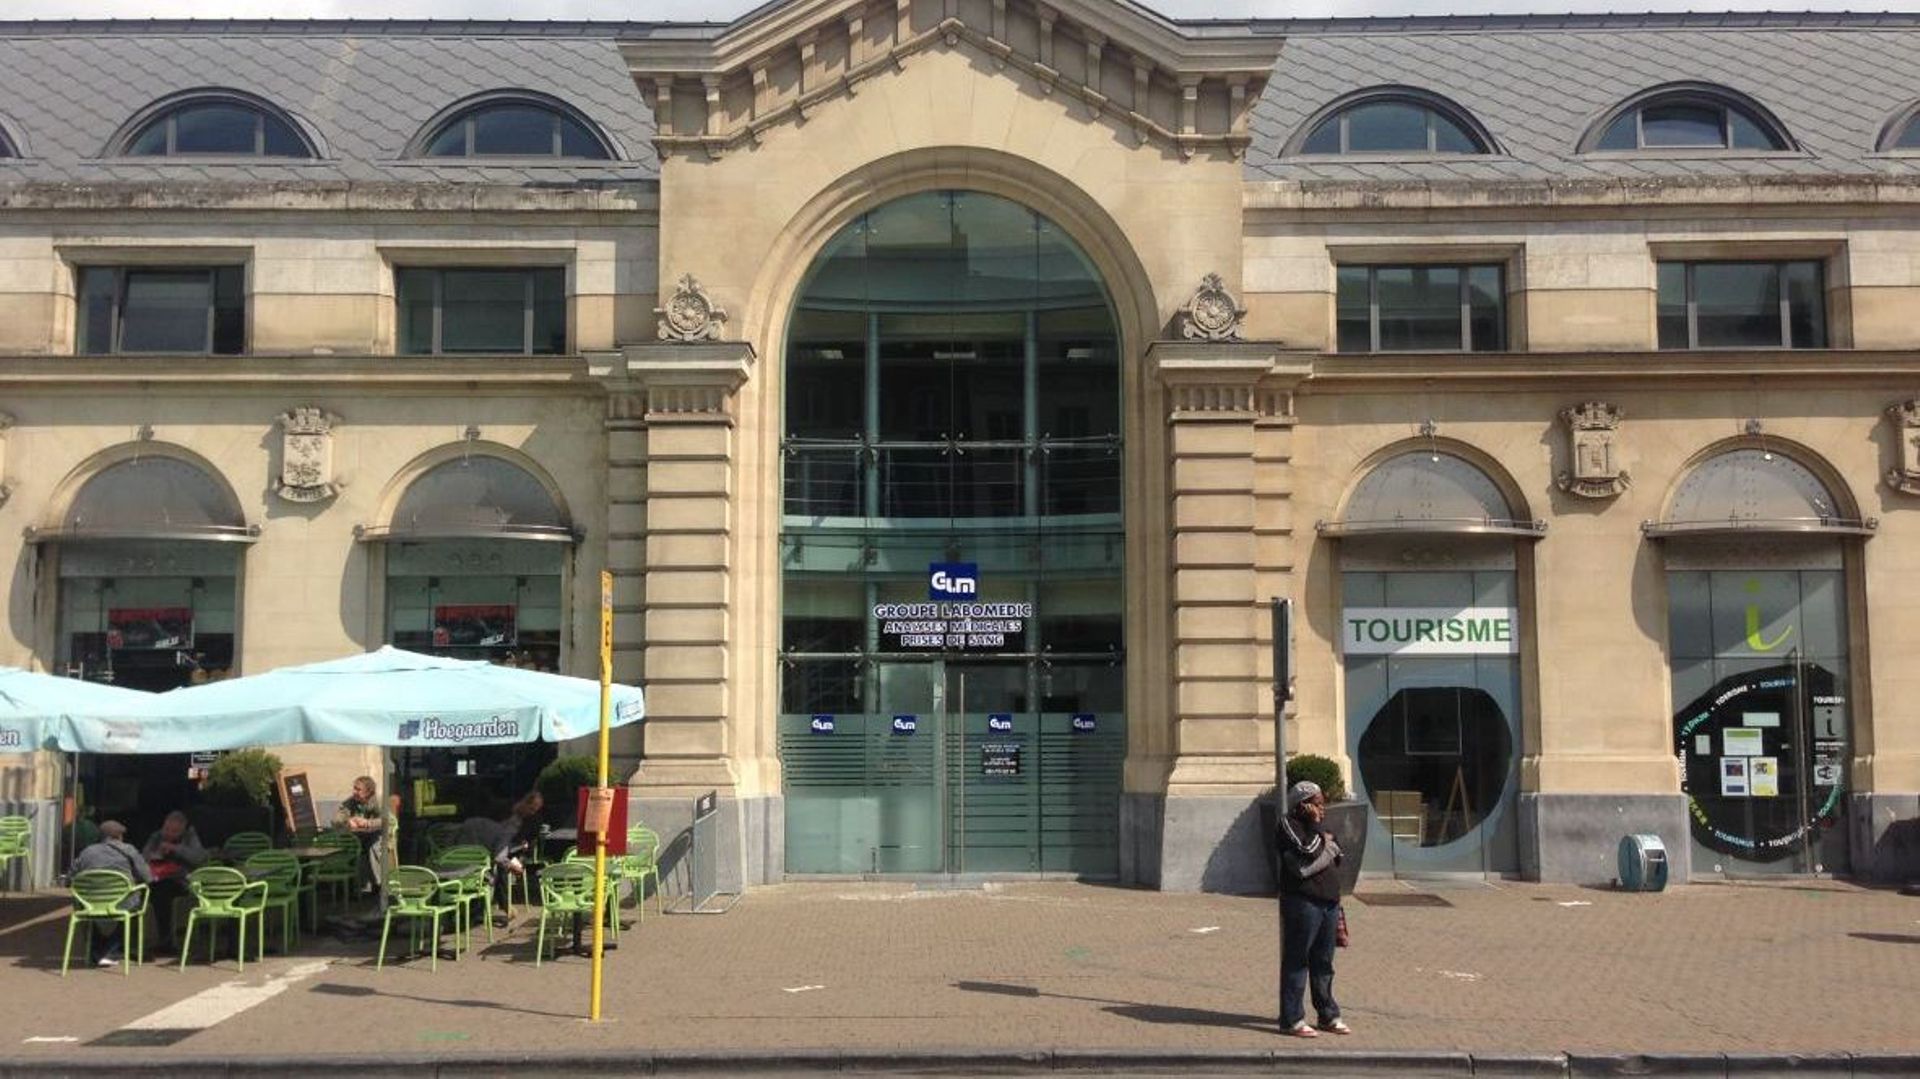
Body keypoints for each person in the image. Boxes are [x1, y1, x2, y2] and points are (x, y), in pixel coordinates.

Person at [1276, 779, 1350, 1038]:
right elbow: (1308, 850)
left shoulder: (1321, 827)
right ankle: (1292, 1019)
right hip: (1303, 902)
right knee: (1297, 960)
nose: (1322, 809)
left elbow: (1338, 853)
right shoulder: (1289, 824)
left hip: (1329, 902)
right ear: (1303, 805)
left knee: (1324, 962)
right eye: (1317, 804)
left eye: (1322, 804)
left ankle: (1327, 1014)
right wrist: (1319, 833)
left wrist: (1323, 845)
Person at [71, 820, 151, 968]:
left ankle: (95, 951)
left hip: (90, 903)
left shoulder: (87, 852)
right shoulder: (129, 850)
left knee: (82, 907)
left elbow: (70, 878)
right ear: (119, 836)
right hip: (121, 903)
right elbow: (147, 877)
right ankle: (112, 951)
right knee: (135, 907)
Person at [453, 792, 543, 917]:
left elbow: (512, 843)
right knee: (502, 867)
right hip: (483, 843)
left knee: (507, 866)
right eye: (532, 809)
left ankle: (503, 903)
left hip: (498, 844)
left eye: (535, 810)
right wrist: (511, 865)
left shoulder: (522, 819)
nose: (532, 813)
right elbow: (499, 854)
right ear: (526, 803)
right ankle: (501, 904)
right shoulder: (509, 814)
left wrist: (520, 847)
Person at [141, 810, 208, 952]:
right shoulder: (156, 836)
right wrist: (157, 854)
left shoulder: (190, 837)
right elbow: (144, 856)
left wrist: (175, 849)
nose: (168, 834)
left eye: (174, 831)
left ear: (182, 831)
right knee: (150, 891)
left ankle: (166, 939)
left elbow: (199, 858)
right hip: (157, 878)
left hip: (181, 881)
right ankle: (154, 938)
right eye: (166, 829)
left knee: (162, 892)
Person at [332, 775, 386, 890]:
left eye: (358, 789)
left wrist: (367, 823)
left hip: (377, 836)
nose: (354, 792)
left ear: (369, 791)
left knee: (373, 848)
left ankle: (379, 884)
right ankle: (357, 886)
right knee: (351, 848)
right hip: (358, 837)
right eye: (354, 788)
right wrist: (348, 821)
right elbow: (336, 819)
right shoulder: (351, 802)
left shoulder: (379, 801)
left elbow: (386, 820)